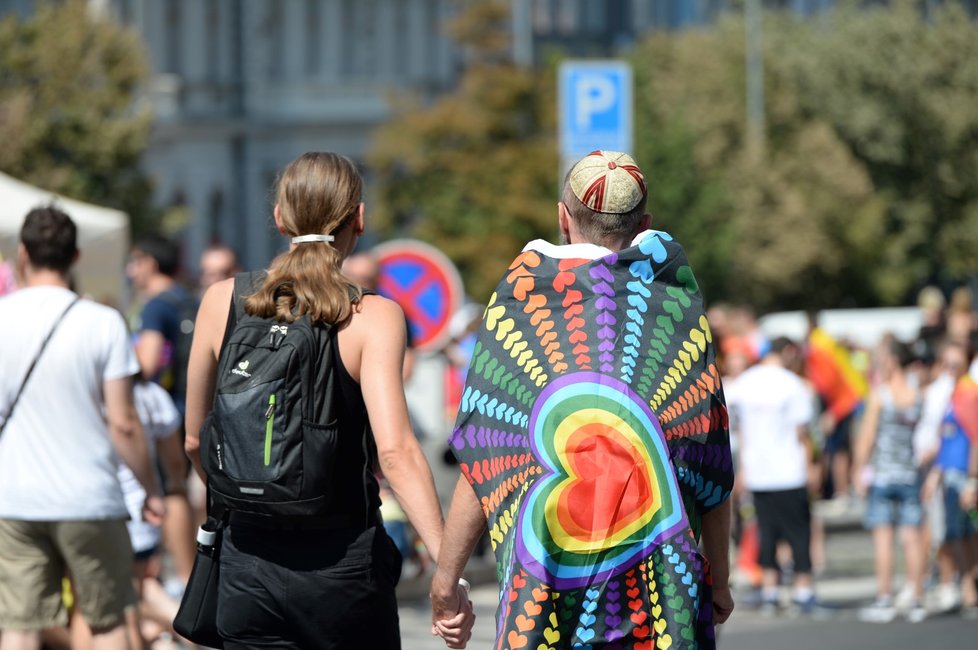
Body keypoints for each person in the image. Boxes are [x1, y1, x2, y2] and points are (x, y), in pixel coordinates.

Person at [431, 151, 734, 649]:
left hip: (544, 588)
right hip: (660, 596)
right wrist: (718, 579)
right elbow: (711, 456)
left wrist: (446, 581)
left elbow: (484, 457)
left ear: (562, 217)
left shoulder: (518, 308)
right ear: (645, 226)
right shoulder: (677, 312)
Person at [184, 151, 470, 649]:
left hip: (245, 563)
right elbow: (396, 453)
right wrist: (448, 573)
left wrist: (254, 492)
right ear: (359, 218)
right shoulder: (372, 316)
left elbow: (193, 439)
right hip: (343, 567)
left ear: (278, 217)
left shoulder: (221, 302)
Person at [0, 206, 165, 650]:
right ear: (75, 255)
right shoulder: (102, 322)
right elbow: (124, 422)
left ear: (21, 254)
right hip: (89, 496)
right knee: (106, 619)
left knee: (19, 625)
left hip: (15, 497)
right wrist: (150, 489)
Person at [126, 233, 199, 588]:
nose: (130, 271)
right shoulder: (189, 298)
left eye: (134, 262)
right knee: (181, 489)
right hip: (196, 405)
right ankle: (189, 576)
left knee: (171, 489)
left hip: (169, 412)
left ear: (150, 264)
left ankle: (184, 579)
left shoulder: (156, 305)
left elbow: (149, 361)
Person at [725, 337, 817, 615]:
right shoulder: (793, 384)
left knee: (766, 533)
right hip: (789, 471)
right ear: (788, 352)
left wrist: (742, 468)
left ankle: (770, 591)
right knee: (798, 533)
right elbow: (802, 433)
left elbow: (736, 427)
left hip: (758, 471)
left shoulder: (743, 384)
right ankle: (803, 591)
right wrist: (812, 465)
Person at [852, 340, 927, 622]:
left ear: (893, 361)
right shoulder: (917, 394)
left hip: (883, 475)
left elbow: (867, 437)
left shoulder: (880, 395)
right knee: (912, 537)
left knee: (883, 538)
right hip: (910, 473)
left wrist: (858, 469)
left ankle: (885, 598)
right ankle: (917, 598)